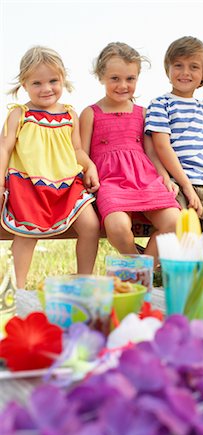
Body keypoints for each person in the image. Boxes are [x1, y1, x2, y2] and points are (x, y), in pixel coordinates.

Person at [0, 46, 101, 289]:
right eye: (37, 83)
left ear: (63, 79)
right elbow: (4, 147)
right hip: (30, 185)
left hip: (67, 183)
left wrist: (90, 166)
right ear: (24, 84)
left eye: (53, 81)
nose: (46, 88)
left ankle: (84, 280)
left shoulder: (70, 114)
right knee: (26, 235)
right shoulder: (20, 114)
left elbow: (76, 150)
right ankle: (17, 290)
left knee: (90, 226)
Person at [79, 42, 180, 266]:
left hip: (145, 180)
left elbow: (152, 152)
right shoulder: (90, 113)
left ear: (137, 77)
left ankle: (140, 274)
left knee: (174, 221)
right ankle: (140, 271)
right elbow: (80, 152)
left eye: (130, 79)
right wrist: (90, 167)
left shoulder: (143, 113)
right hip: (110, 182)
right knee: (117, 228)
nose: (123, 85)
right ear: (101, 76)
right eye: (115, 78)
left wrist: (164, 176)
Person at [145, 36, 203, 287]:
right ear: (168, 69)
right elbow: (161, 146)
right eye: (178, 65)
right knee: (185, 244)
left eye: (194, 66)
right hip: (178, 182)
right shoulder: (161, 104)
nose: (185, 72)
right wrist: (186, 186)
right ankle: (182, 298)